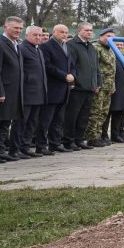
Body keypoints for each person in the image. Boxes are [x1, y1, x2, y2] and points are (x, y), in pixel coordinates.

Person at [0, 17, 25, 161]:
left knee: (6, 123)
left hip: (14, 92)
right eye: (15, 28)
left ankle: (0, 151)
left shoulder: (16, 43)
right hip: (2, 92)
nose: (18, 31)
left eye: (20, 28)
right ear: (5, 27)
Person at [63, 22, 100, 150]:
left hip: (90, 88)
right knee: (72, 116)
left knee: (84, 116)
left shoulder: (91, 47)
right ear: (79, 31)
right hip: (77, 88)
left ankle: (79, 139)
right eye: (86, 30)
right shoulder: (71, 45)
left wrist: (97, 83)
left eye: (91, 30)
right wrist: (74, 83)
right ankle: (68, 140)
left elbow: (96, 67)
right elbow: (71, 66)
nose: (89, 32)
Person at [41, 24, 75, 153]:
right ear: (54, 32)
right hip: (52, 88)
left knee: (58, 120)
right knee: (46, 120)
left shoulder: (66, 46)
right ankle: (42, 145)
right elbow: (47, 65)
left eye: (66, 32)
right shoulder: (47, 46)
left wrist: (72, 74)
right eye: (61, 32)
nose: (64, 34)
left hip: (64, 89)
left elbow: (71, 64)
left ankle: (55, 143)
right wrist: (64, 75)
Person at [18, 26, 49, 157]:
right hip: (27, 93)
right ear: (27, 36)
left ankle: (25, 147)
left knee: (32, 123)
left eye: (39, 35)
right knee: (22, 123)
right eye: (34, 35)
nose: (38, 37)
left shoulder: (38, 50)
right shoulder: (22, 48)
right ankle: (18, 148)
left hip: (38, 93)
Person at [86, 28, 116, 147]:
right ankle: (91, 137)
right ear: (101, 36)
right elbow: (93, 68)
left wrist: (112, 85)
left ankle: (98, 135)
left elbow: (112, 70)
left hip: (108, 87)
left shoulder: (111, 50)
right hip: (99, 86)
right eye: (108, 36)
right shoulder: (96, 47)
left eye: (112, 37)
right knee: (95, 112)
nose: (110, 39)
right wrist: (96, 84)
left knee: (104, 112)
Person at [108, 41, 124, 143]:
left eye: (121, 45)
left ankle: (119, 133)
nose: (119, 46)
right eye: (117, 45)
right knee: (115, 113)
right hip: (115, 89)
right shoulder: (111, 56)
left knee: (122, 113)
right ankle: (113, 135)